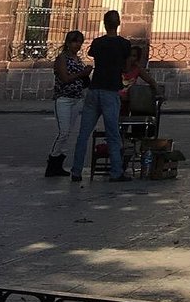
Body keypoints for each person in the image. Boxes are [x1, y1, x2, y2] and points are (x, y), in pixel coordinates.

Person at [69, 10, 133, 183]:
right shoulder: (124, 45)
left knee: (83, 133)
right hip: (111, 91)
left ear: (104, 24)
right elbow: (127, 69)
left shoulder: (98, 43)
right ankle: (116, 172)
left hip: (94, 89)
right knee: (113, 133)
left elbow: (91, 54)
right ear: (118, 23)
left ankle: (76, 171)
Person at [45, 30, 90, 178]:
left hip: (76, 98)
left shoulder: (78, 60)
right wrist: (82, 74)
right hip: (63, 98)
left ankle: (59, 163)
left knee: (68, 132)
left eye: (79, 42)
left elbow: (80, 80)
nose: (77, 45)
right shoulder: (62, 59)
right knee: (63, 132)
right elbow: (65, 78)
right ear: (68, 42)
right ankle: (53, 160)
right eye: (75, 42)